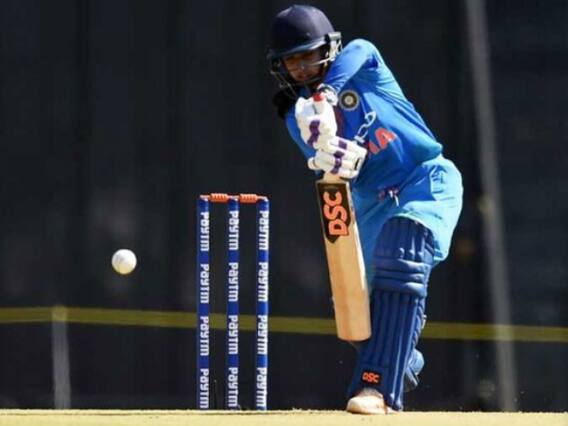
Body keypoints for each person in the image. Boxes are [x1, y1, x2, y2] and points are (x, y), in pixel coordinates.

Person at [266, 5, 463, 415]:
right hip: (370, 204)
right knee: (357, 314)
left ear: (329, 48)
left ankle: (376, 389)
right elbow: (329, 167)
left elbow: (364, 48)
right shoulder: (298, 115)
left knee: (402, 250)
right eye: (291, 61)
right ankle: (401, 359)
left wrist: (327, 95)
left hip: (424, 179)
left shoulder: (363, 70)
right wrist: (332, 161)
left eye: (308, 55)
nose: (300, 68)